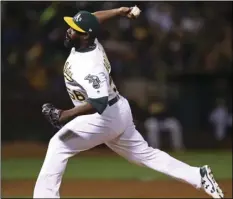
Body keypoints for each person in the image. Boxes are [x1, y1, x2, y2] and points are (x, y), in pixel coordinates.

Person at [33, 7, 224, 198]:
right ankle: (198, 175)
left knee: (59, 144)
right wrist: (119, 11)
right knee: (145, 155)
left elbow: (99, 102)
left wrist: (64, 115)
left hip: (104, 116)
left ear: (84, 36)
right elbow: (94, 19)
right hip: (118, 110)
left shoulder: (90, 65)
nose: (69, 30)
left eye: (74, 28)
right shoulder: (89, 41)